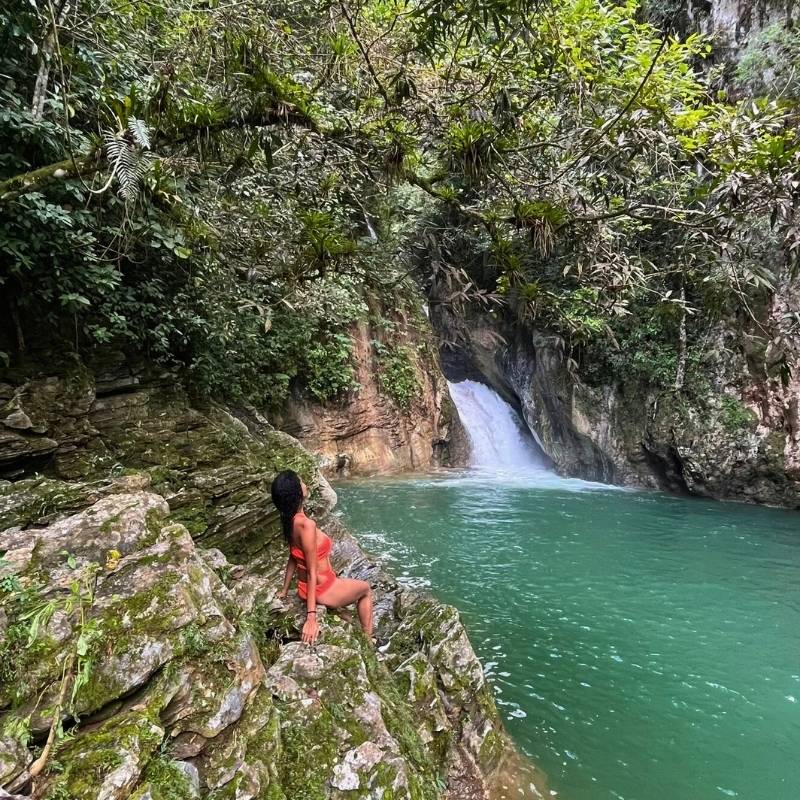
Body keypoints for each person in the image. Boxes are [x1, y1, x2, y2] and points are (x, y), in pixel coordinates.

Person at [270, 469, 373, 646]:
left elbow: (293, 557)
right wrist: (311, 617)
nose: (305, 484)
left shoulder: (291, 520)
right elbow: (311, 571)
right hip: (323, 589)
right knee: (366, 589)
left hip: (306, 588)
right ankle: (369, 641)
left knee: (348, 590)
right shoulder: (307, 525)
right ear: (297, 492)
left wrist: (285, 590)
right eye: (301, 482)